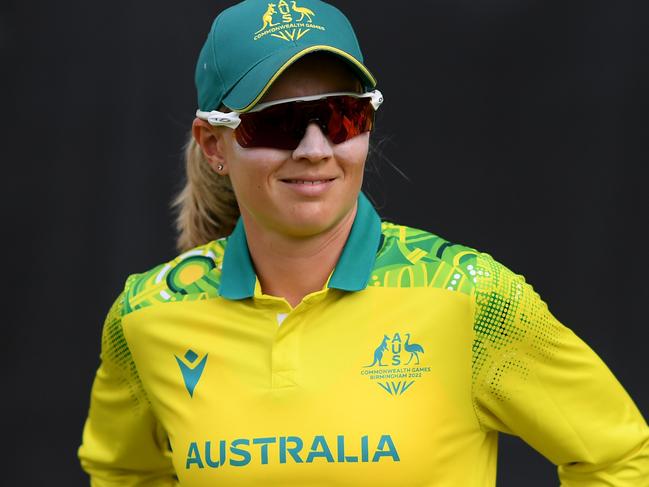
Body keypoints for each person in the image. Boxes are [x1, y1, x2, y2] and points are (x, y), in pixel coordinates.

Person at [78, 0, 649, 485]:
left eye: (341, 117)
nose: (314, 148)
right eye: (277, 123)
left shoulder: (470, 296)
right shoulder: (147, 316)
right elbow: (122, 475)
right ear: (213, 145)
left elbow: (620, 458)